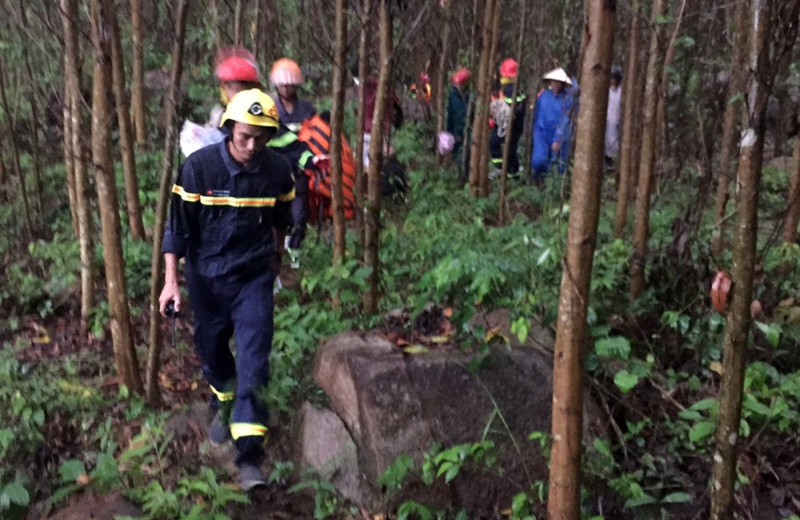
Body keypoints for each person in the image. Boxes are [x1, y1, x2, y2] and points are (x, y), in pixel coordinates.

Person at [159, 89, 296, 490]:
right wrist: (171, 282)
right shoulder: (199, 169)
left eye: (261, 138)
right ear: (229, 129)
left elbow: (281, 218)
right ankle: (223, 401)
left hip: (253, 279)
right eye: (244, 137)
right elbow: (177, 229)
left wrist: (275, 261)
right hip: (207, 279)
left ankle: (249, 454)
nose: (252, 146)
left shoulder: (276, 170)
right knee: (212, 349)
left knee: (254, 358)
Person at [531, 67, 575, 180]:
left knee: (557, 165)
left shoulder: (567, 99)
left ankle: (552, 190)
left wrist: (558, 138)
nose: (555, 84)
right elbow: (537, 115)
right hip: (542, 133)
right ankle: (538, 183)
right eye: (553, 81)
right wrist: (537, 133)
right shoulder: (544, 95)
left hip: (558, 135)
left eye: (558, 82)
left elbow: (566, 120)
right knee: (538, 160)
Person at [489, 58, 527, 178]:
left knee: (497, 143)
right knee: (510, 149)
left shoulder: (510, 89)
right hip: (511, 125)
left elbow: (511, 108)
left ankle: (506, 171)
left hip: (510, 125)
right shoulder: (511, 88)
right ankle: (510, 173)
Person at [269, 58, 317, 134]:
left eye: (289, 85)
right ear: (277, 86)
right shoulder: (270, 108)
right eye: (282, 85)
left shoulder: (307, 109)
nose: (285, 89)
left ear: (295, 85)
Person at [444, 67, 471, 178]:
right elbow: (450, 116)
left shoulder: (471, 97)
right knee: (458, 158)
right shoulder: (452, 96)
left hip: (468, 134)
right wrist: (448, 134)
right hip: (456, 134)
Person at [605, 67, 623, 164]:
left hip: (617, 119)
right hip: (608, 119)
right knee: (608, 141)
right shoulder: (608, 91)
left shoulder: (622, 92)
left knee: (614, 141)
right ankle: (608, 162)